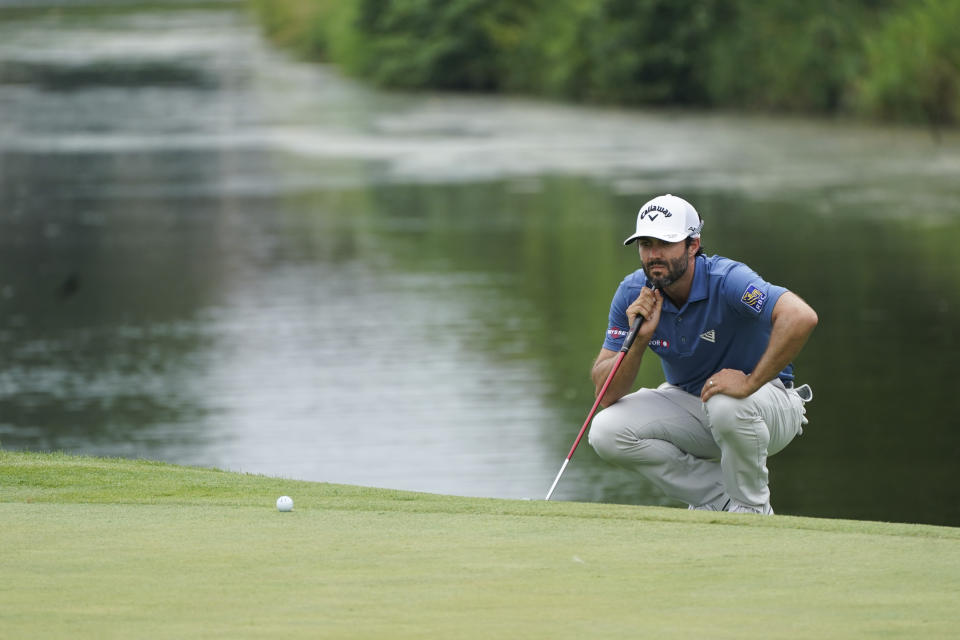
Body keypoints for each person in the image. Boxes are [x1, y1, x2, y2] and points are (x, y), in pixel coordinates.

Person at [587, 194, 817, 514]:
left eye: (664, 243)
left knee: (725, 403)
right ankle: (721, 498)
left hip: (769, 406)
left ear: (693, 245)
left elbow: (800, 316)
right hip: (694, 404)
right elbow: (605, 393)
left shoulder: (727, 280)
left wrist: (751, 382)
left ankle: (752, 509)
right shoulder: (631, 293)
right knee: (605, 430)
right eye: (645, 244)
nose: (653, 255)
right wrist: (637, 341)